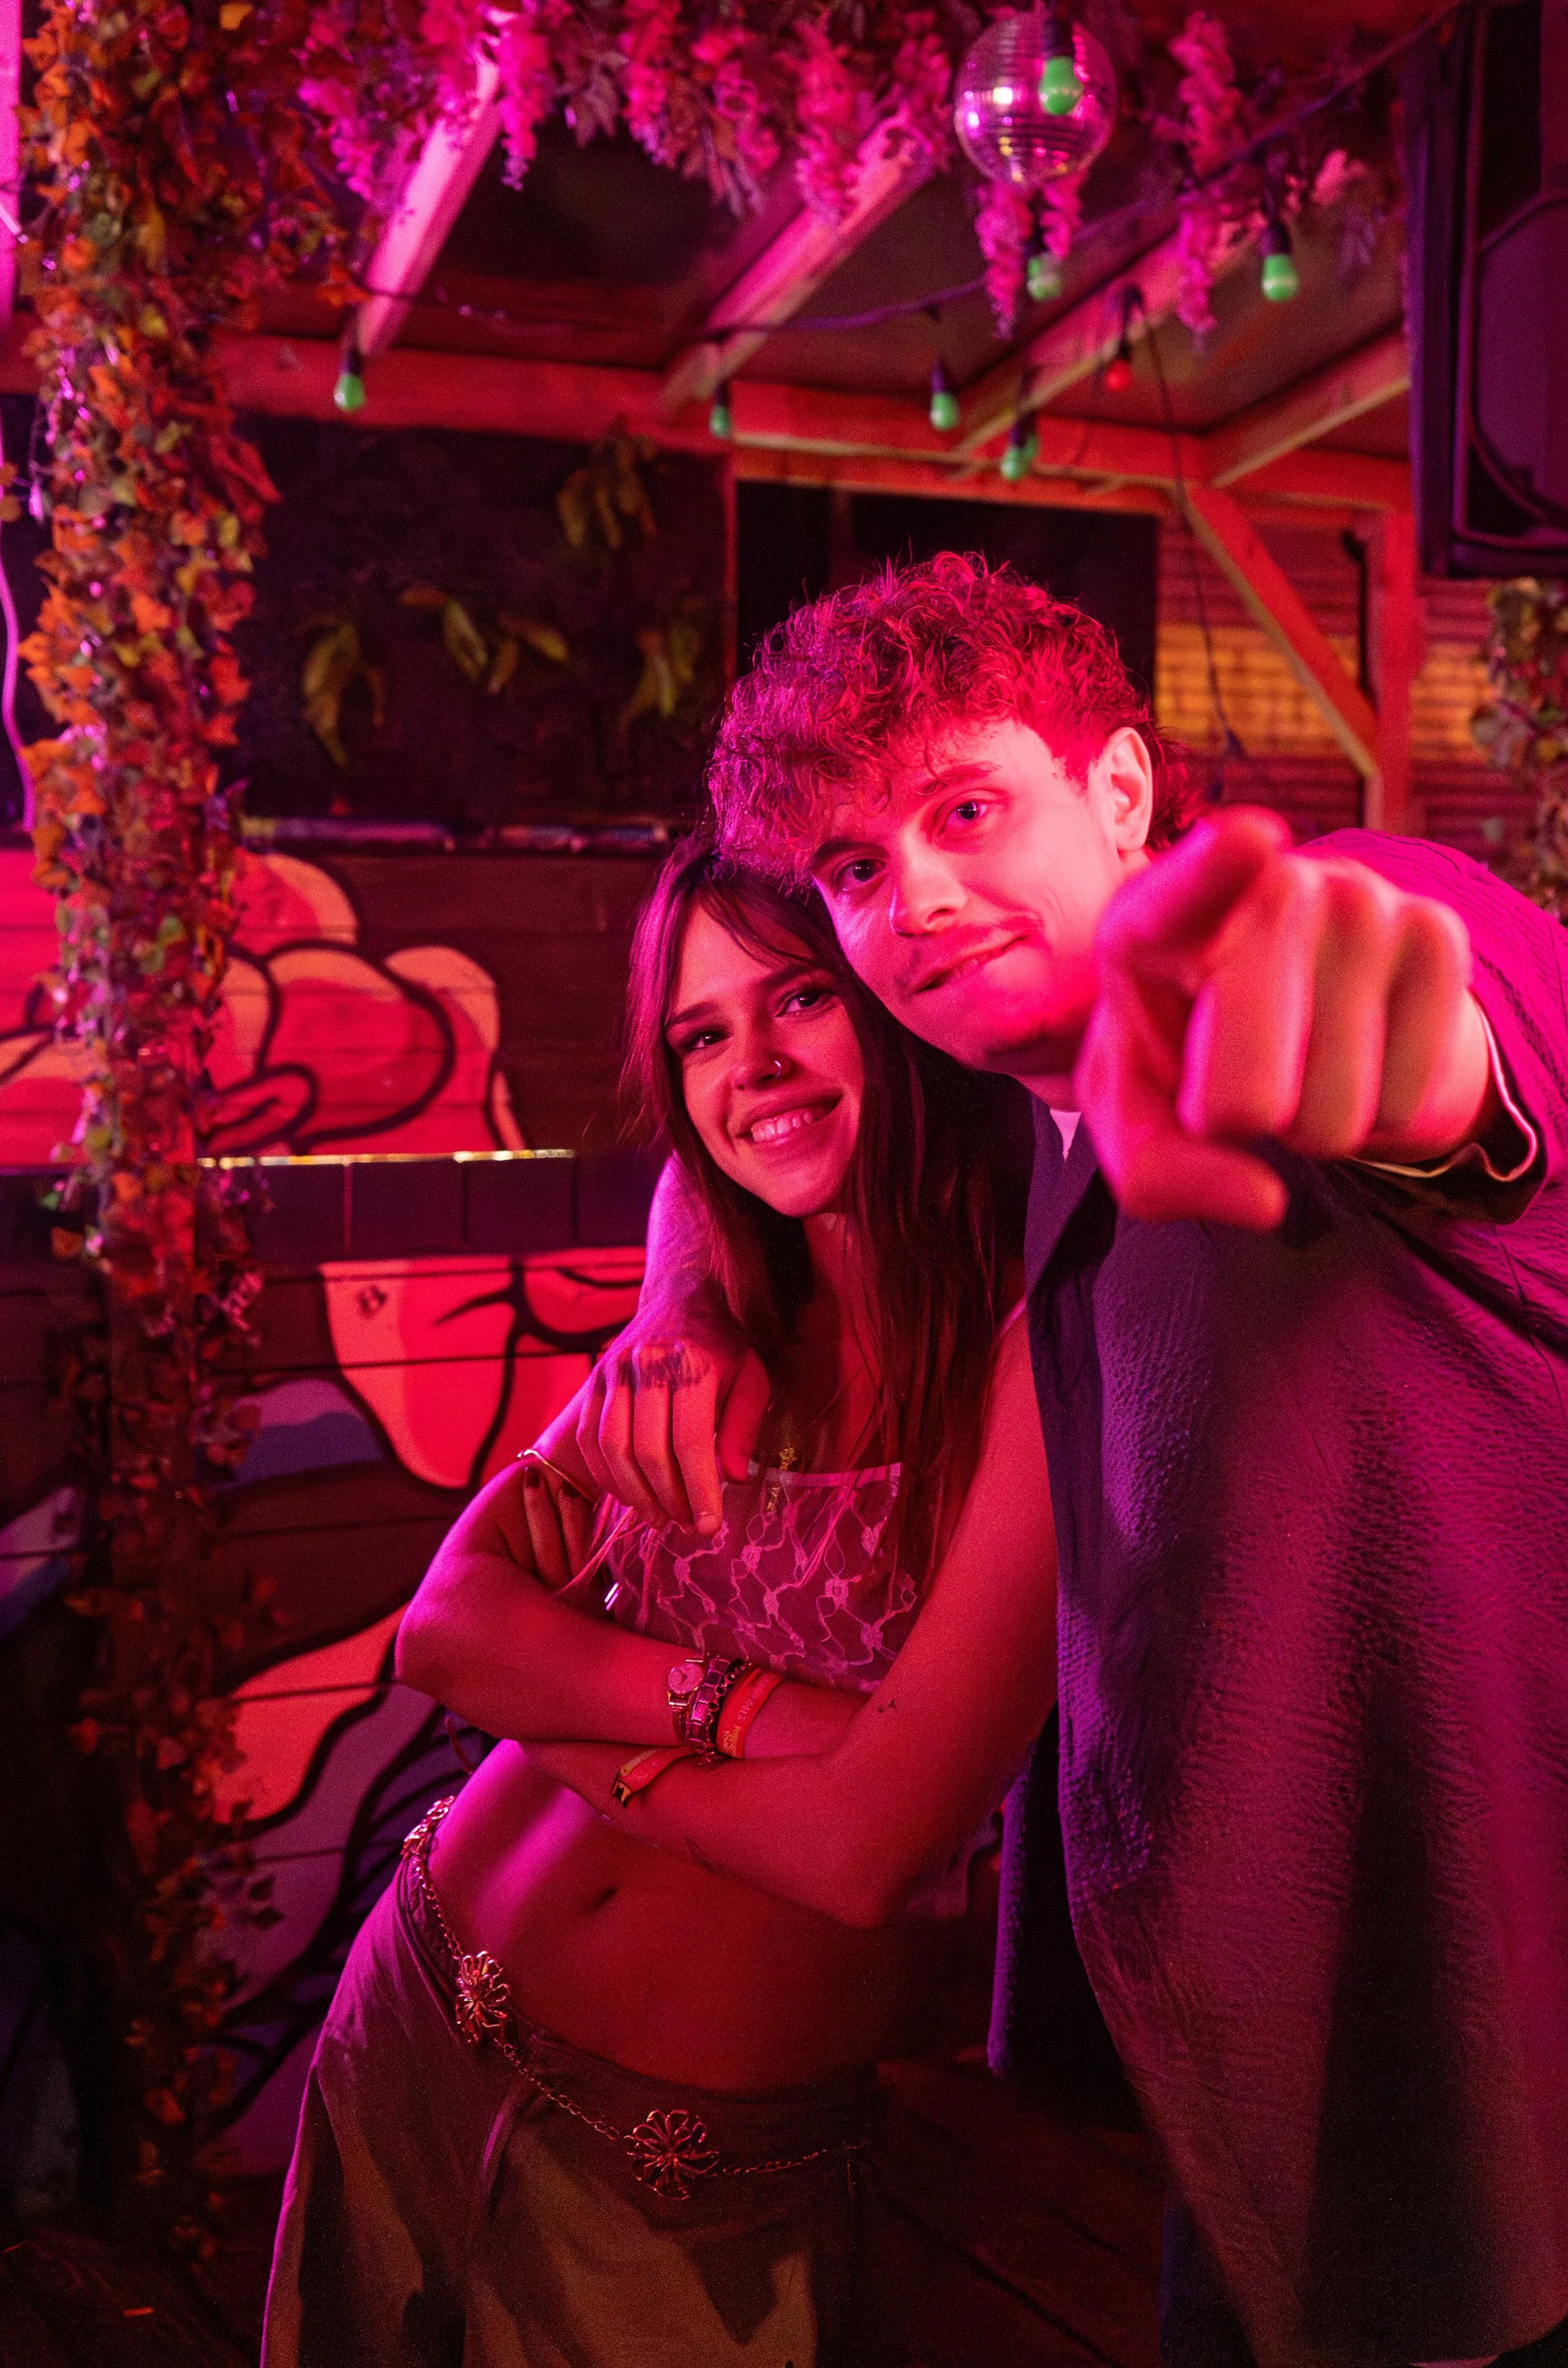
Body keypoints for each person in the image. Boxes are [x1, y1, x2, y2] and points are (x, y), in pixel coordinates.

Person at [544, 554, 1568, 2368]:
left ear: (1120, 790)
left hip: (1550, 2076)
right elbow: (732, 1126)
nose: (914, 896)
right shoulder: (1027, 1121)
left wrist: (1348, 1011)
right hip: (1270, 2101)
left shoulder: (1353, 928)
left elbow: (1417, 1025)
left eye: (964, 807)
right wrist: (683, 1297)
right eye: (853, 868)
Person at [259, 834, 1061, 2368]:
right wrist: (748, 1713)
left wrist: (578, 1729)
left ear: (894, 997)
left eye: (797, 999)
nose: (750, 1064)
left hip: (678, 2166)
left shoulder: (1033, 1354)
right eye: (699, 1035)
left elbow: (862, 1859)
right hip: (414, 2005)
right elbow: (446, 1626)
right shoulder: (713, 1320)